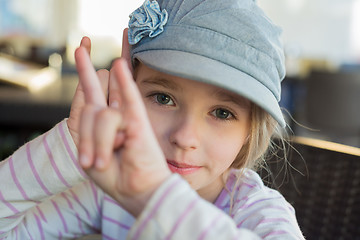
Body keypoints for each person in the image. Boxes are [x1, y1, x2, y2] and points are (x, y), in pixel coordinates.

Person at [0, 0, 305, 239]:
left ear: (250, 132)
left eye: (222, 113)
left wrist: (153, 196)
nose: (185, 137)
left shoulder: (258, 211)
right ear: (127, 92)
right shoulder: (109, 191)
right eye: (163, 98)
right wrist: (71, 150)